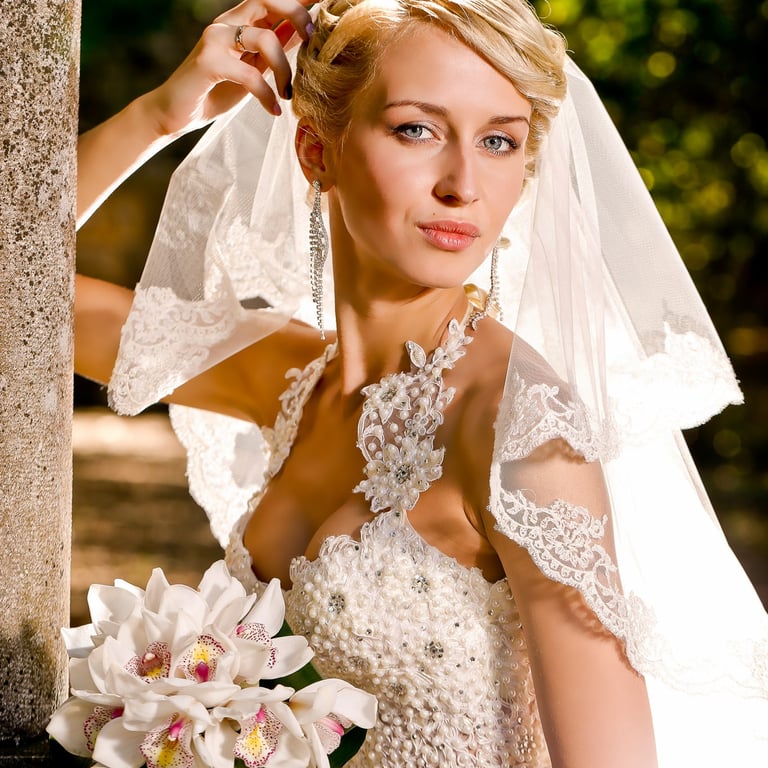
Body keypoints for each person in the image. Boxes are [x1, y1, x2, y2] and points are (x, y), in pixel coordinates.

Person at [73, 0, 768, 765]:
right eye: (417, 129)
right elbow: (22, 293)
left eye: (499, 140)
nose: (464, 184)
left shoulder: (521, 424)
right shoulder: (288, 376)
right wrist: (160, 116)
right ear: (316, 150)